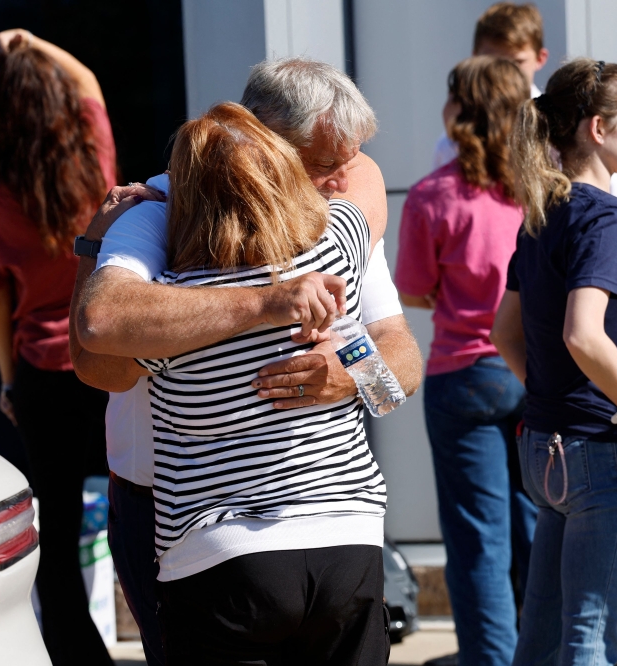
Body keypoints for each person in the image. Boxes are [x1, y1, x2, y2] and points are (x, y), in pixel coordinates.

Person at [70, 58, 422, 666]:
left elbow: (398, 368)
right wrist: (265, 305)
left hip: (297, 526)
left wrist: (349, 374)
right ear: (263, 142)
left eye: (346, 161)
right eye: (322, 164)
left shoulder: (330, 216)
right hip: (170, 507)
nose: (342, 180)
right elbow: (99, 348)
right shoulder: (157, 213)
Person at [0, 29, 123, 666]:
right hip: (112, 361)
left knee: (54, 538)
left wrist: (8, 382)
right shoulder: (94, 163)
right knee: (140, 508)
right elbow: (89, 81)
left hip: (41, 376)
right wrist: (33, 43)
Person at [491, 58, 617, 663]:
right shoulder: (607, 217)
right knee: (591, 636)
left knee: (544, 633)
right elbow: (584, 334)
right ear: (598, 128)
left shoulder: (542, 215)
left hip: (546, 448)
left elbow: (505, 334)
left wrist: (556, 397)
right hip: (598, 453)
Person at [396, 56, 532, 666]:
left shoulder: (432, 196)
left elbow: (413, 289)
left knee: (481, 543)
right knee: (541, 531)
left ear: (461, 111)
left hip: (465, 375)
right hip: (535, 372)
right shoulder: (540, 193)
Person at [433, 2, 617, 220]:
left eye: (516, 62)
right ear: (474, 57)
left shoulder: (567, 118)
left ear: (540, 58)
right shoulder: (453, 139)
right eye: (493, 61)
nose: (504, 73)